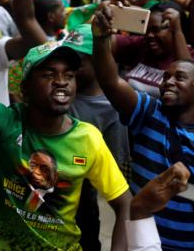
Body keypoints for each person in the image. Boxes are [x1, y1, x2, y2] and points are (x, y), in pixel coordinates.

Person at [0, 17, 132, 250]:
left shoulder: (88, 138)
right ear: (25, 88)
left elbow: (124, 204)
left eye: (68, 75)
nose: (61, 82)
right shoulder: (2, 121)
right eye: (49, 75)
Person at [92, 4, 194, 249]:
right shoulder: (150, 112)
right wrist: (100, 39)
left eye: (179, 78)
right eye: (165, 77)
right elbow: (110, 82)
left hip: (189, 244)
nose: (168, 82)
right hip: (140, 238)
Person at [64, 24, 131, 250]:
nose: (68, 69)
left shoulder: (111, 107)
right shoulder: (60, 90)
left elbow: (113, 165)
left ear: (98, 61)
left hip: (82, 199)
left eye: (78, 62)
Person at [112, 2, 194, 97]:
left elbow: (188, 77)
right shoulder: (142, 45)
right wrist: (109, 13)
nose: (149, 35)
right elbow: (106, 42)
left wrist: (177, 30)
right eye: (147, 30)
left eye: (156, 30)